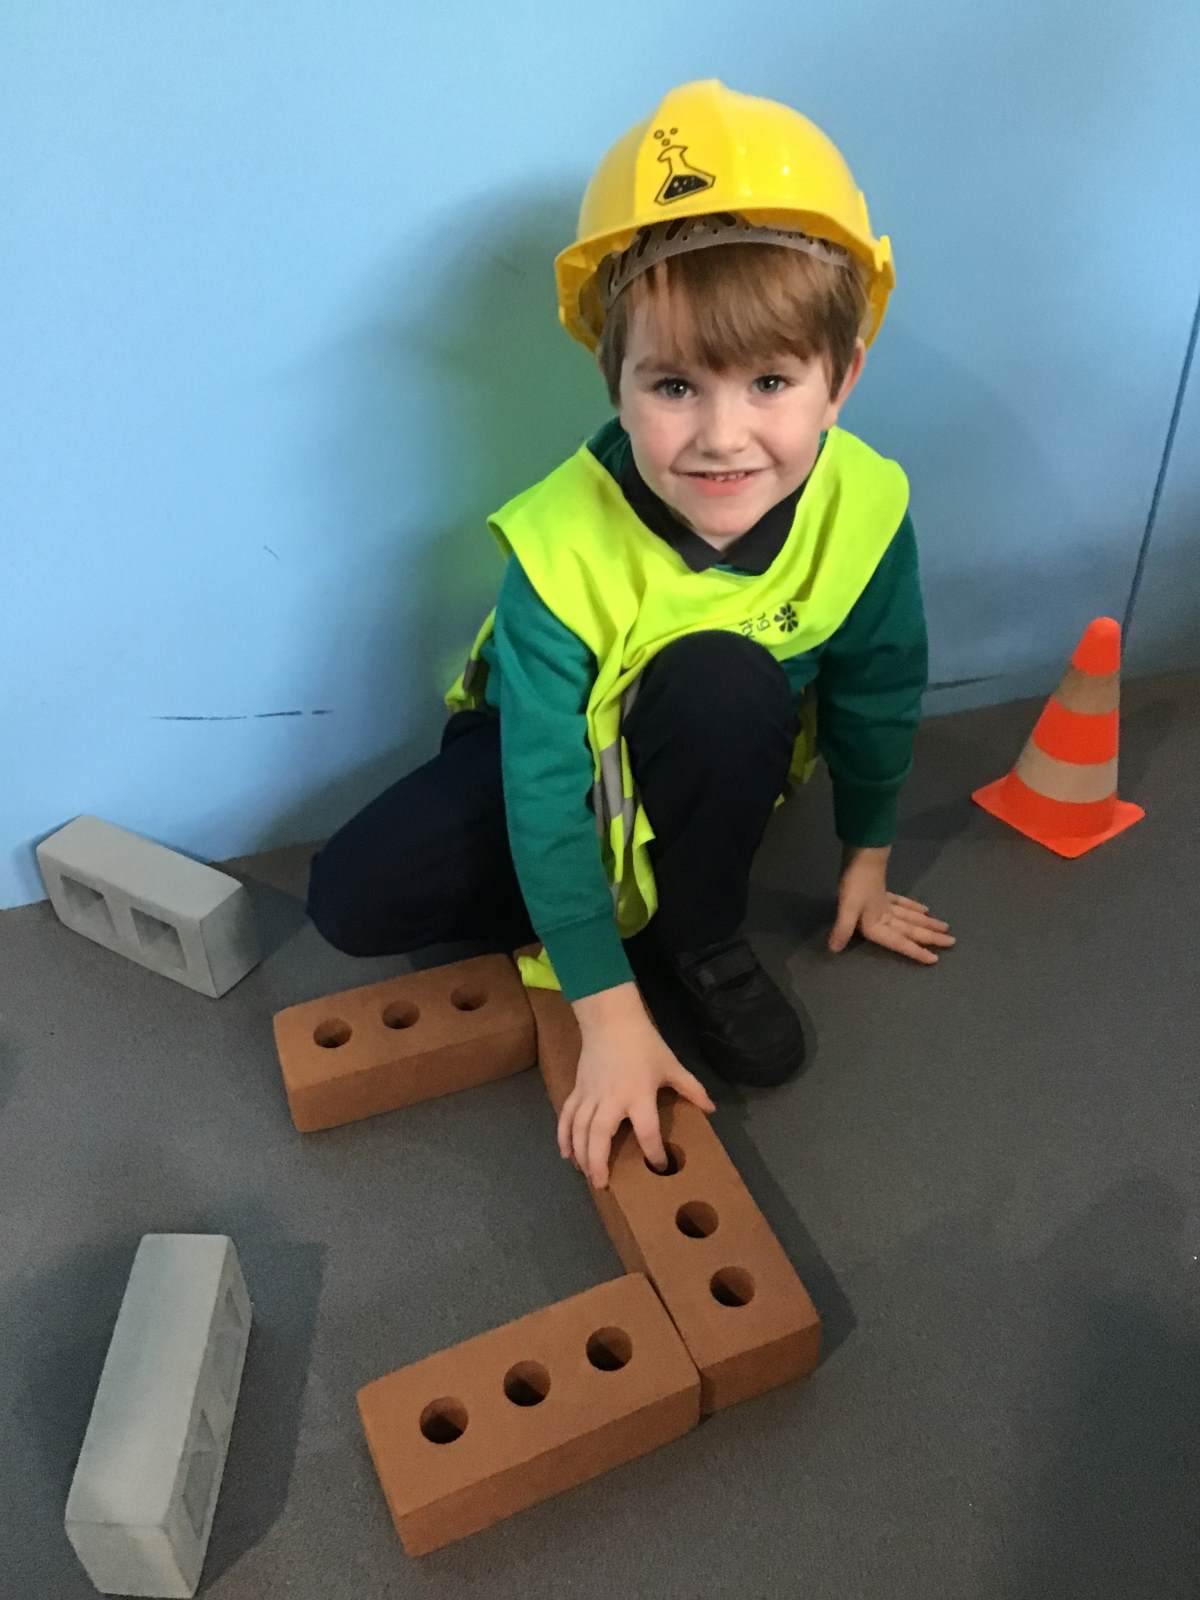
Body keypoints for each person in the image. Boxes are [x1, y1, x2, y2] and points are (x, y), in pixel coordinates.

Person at [306, 79, 955, 1190]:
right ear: (614, 378)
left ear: (841, 379)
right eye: (674, 385)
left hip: (706, 751)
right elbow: (544, 782)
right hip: (554, 754)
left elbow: (880, 685)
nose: (723, 436)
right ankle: (604, 922)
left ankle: (695, 937)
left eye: (770, 381)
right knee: (353, 895)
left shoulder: (868, 506)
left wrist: (868, 855)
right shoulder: (557, 543)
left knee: (722, 681)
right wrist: (602, 1008)